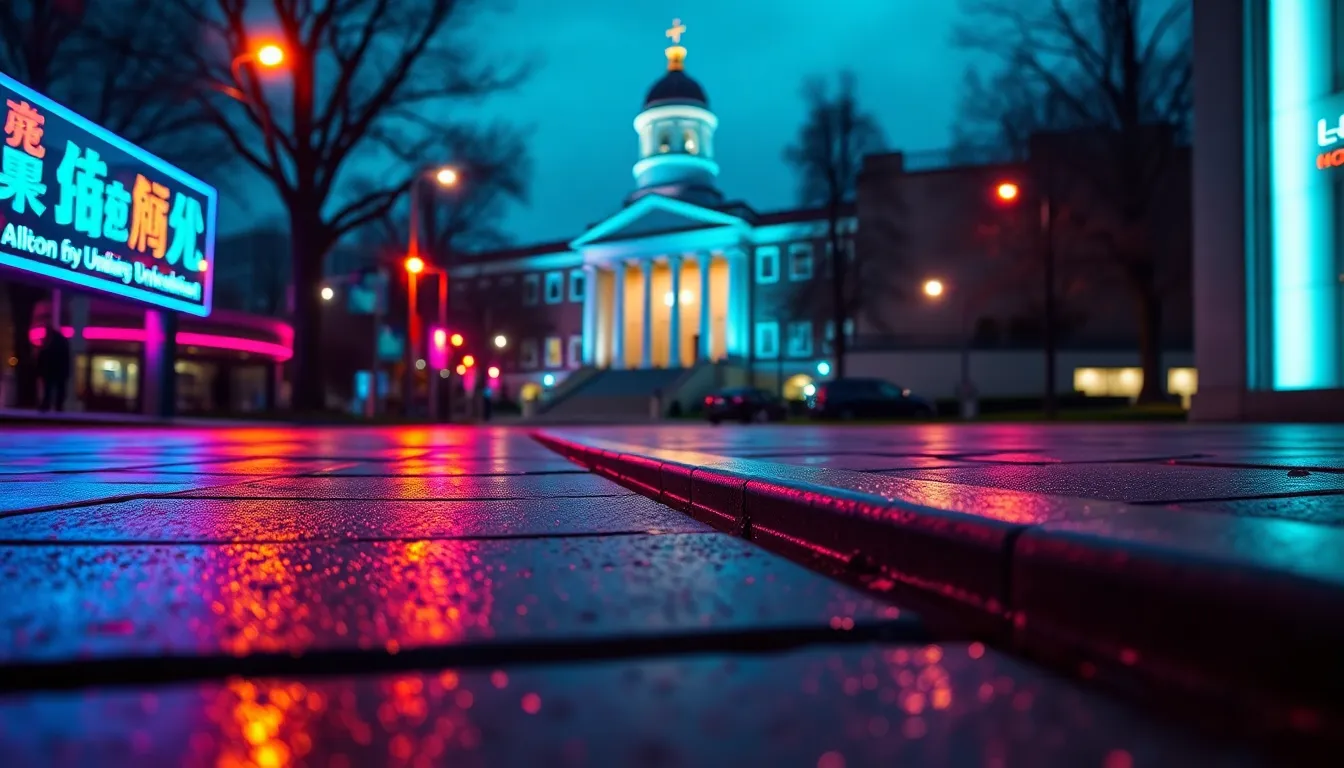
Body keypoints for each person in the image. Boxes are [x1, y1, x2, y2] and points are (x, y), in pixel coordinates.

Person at [37, 325, 71, 413]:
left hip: (50, 371)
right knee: (59, 389)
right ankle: (58, 406)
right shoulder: (61, 342)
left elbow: (42, 358)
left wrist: (40, 371)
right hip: (58, 371)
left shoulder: (48, 343)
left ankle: (47, 405)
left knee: (48, 389)